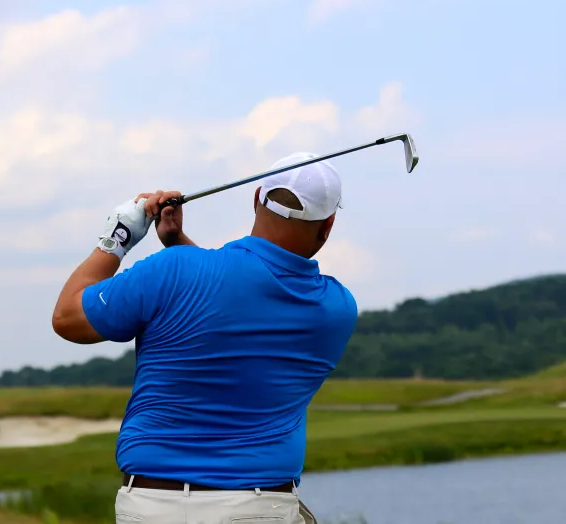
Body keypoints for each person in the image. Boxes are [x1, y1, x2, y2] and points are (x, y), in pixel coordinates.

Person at [51, 153, 358, 524]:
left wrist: (119, 236)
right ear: (327, 226)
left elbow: (68, 318)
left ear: (257, 197)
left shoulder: (174, 269)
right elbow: (242, 293)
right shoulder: (335, 308)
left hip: (150, 504)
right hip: (260, 507)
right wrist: (178, 242)